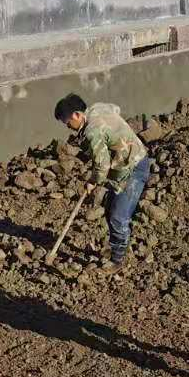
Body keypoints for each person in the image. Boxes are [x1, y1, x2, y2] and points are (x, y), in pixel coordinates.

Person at [55, 93, 150, 268]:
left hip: (134, 168)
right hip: (122, 166)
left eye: (67, 122)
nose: (68, 126)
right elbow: (115, 108)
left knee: (117, 217)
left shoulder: (93, 131)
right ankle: (116, 248)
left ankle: (117, 260)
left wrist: (93, 181)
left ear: (77, 114)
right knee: (109, 211)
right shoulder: (98, 108)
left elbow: (101, 165)